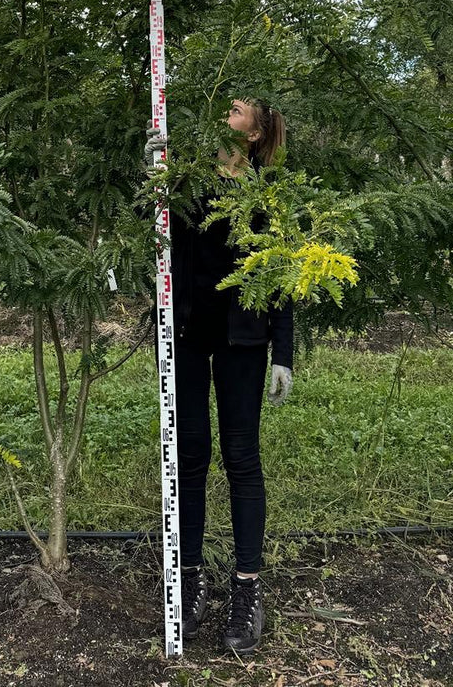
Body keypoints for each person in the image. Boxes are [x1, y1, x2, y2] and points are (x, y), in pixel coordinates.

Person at [148, 98, 293, 655]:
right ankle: (187, 579)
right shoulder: (183, 180)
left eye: (234, 113)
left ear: (255, 135)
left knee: (240, 455)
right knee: (189, 454)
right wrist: (153, 175)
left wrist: (283, 351)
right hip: (185, 333)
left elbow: (279, 271)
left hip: (243, 340)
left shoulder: (266, 195)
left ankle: (246, 591)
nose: (222, 117)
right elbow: (157, 238)